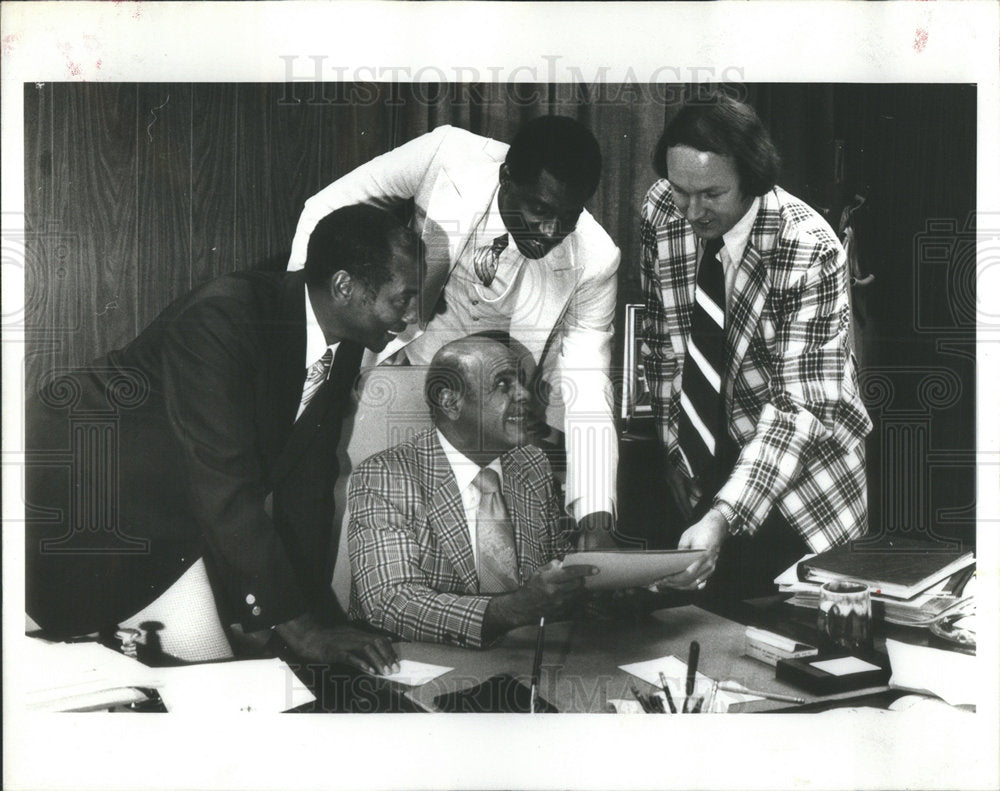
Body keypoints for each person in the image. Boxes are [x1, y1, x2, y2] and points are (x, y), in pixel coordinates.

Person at [25, 204, 420, 675]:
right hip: (79, 500)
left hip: (165, 513)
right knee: (206, 685)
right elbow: (222, 482)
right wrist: (296, 627)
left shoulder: (345, 340)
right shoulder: (227, 313)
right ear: (344, 287)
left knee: (223, 678)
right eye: (403, 299)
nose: (414, 316)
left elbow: (307, 489)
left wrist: (309, 618)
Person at [287, 116, 621, 549]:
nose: (551, 233)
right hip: (395, 372)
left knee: (470, 546)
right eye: (539, 210)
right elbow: (324, 210)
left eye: (568, 217)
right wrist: (305, 337)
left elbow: (589, 387)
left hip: (491, 413)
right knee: (353, 513)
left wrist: (596, 519)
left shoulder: (596, 258)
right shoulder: (446, 154)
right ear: (506, 177)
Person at [640, 91, 873, 601]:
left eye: (711, 194)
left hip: (800, 484)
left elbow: (799, 409)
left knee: (781, 646)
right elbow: (662, 344)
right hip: (701, 463)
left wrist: (724, 514)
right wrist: (672, 450)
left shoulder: (807, 247)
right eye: (681, 190)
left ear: (751, 178)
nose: (692, 210)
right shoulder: (662, 210)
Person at [347, 334, 598, 648]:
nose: (524, 395)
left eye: (521, 381)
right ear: (451, 402)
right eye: (503, 384)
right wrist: (511, 610)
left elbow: (554, 570)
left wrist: (601, 584)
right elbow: (392, 603)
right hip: (423, 665)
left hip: (520, 659)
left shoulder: (532, 464)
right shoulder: (386, 477)